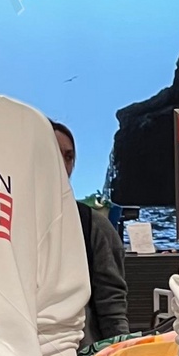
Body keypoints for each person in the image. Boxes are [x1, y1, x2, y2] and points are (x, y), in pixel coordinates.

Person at [52, 119, 129, 343]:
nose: (63, 164)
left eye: (68, 156)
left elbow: (112, 307)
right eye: (54, 153)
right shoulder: (10, 220)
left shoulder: (92, 225)